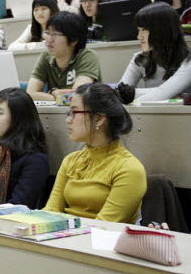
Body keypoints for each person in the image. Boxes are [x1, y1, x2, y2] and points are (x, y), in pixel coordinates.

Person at [43, 83, 147, 223]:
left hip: (99, 241)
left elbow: (104, 227)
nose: (68, 119)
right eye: (69, 113)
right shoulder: (70, 160)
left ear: (99, 118)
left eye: (75, 112)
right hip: (64, 237)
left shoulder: (129, 169)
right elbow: (50, 212)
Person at [118, 2, 191, 102]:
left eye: (144, 29)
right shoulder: (140, 58)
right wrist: (172, 95)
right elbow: (119, 94)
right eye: (138, 30)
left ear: (161, 30)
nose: (139, 37)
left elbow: (161, 95)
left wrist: (132, 94)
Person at [26, 11, 101, 101]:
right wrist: (56, 97)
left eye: (55, 34)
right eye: (48, 33)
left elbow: (76, 96)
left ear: (74, 40)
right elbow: (30, 93)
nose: (49, 40)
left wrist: (54, 92)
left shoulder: (87, 56)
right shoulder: (46, 56)